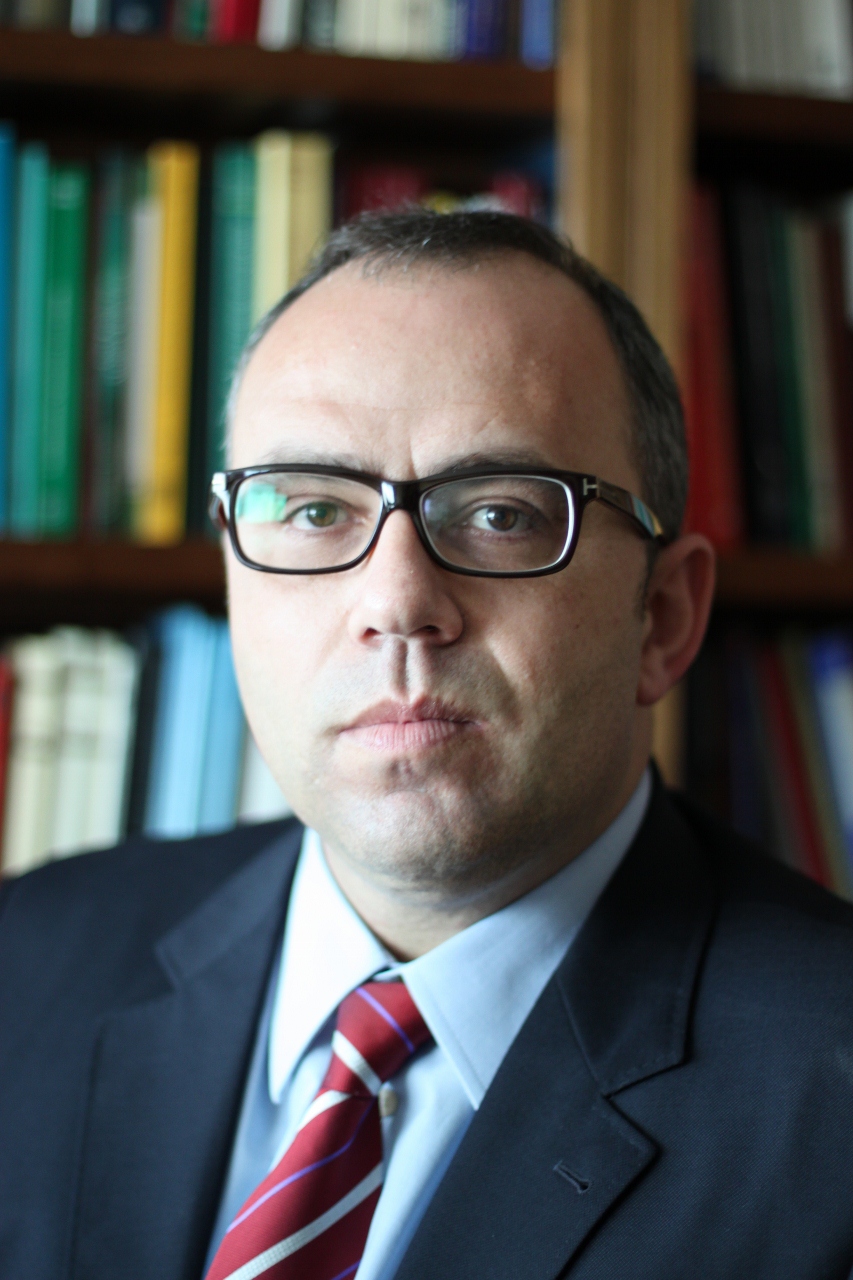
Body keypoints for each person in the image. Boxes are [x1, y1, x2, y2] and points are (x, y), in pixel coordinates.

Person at [2, 210, 853, 1280]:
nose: (397, 603)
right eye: (314, 510)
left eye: (500, 514)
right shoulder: (26, 962)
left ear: (663, 618)